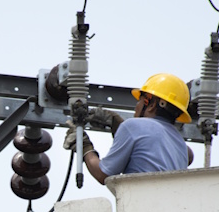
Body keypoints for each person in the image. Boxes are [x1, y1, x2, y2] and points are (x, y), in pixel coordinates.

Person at [64, 73, 193, 184]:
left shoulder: (132, 127)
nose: (136, 106)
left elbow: (103, 174)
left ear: (151, 105)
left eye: (140, 100)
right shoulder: (181, 144)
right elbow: (146, 143)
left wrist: (85, 147)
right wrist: (116, 124)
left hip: (141, 206)